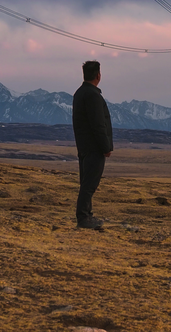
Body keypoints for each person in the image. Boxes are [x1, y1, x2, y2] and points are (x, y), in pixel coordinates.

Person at [72, 60, 113, 229]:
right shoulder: (93, 96)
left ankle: (87, 215)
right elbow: (98, 124)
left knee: (86, 183)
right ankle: (83, 218)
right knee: (89, 185)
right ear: (98, 76)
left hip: (83, 146)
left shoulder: (79, 93)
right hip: (94, 148)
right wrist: (105, 147)